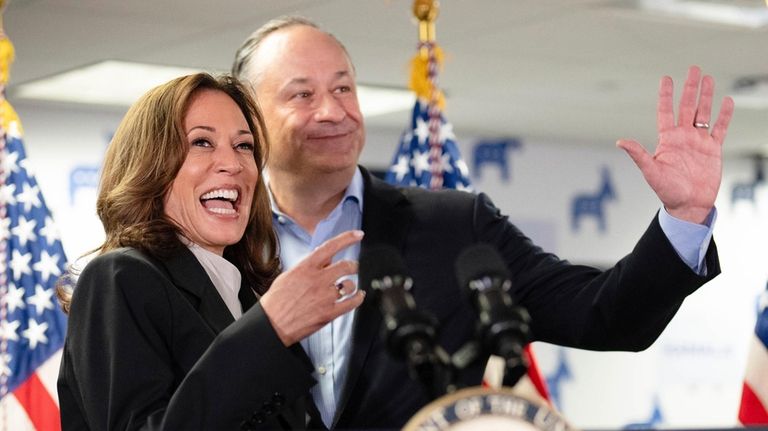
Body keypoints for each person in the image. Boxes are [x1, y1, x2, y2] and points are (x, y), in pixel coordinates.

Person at [230, 16, 735, 429]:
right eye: (302, 95)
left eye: (343, 88)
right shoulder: (215, 242)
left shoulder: (454, 226)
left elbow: (605, 314)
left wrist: (685, 216)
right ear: (250, 116)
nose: (333, 110)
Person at [56, 73, 365, 430]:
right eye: (202, 142)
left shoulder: (243, 294)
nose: (233, 164)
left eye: (244, 146)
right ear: (150, 166)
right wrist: (268, 330)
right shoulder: (120, 276)